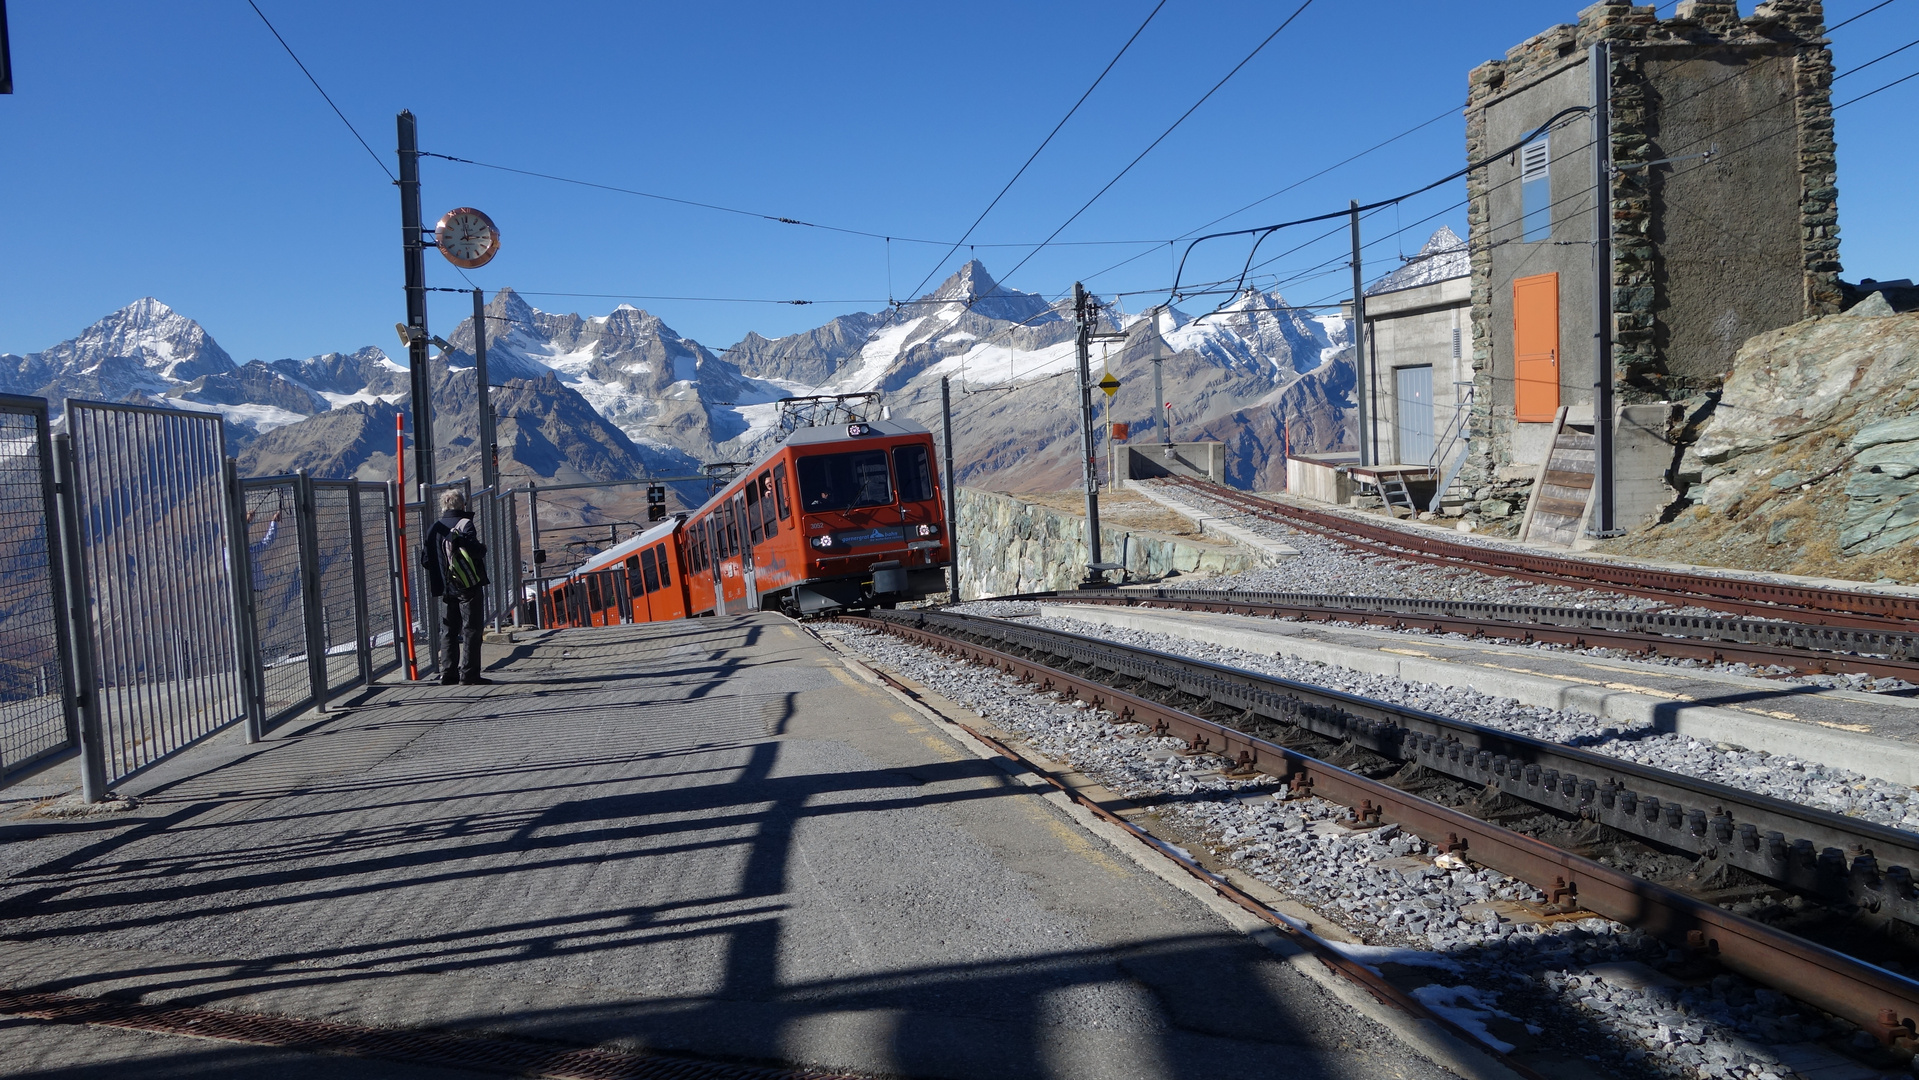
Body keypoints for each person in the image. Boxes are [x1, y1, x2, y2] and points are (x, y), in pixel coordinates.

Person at [419, 490, 492, 686]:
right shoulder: (465, 524)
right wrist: (482, 548)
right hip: (468, 584)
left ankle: (448, 674)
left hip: (445, 587)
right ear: (462, 505)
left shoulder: (434, 528)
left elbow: (425, 560)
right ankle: (469, 674)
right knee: (471, 629)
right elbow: (475, 551)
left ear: (443, 506)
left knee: (449, 630)